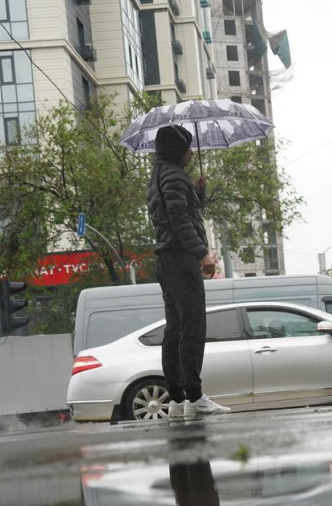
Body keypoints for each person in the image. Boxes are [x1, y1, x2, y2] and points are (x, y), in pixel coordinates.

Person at [147, 125, 230, 419]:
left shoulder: (160, 175)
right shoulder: (173, 175)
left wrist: (197, 193)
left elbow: (176, 212)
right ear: (176, 149)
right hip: (181, 259)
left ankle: (179, 399)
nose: (192, 153)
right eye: (188, 147)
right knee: (192, 327)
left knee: (175, 329)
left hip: (166, 260)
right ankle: (195, 397)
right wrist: (202, 253)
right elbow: (179, 218)